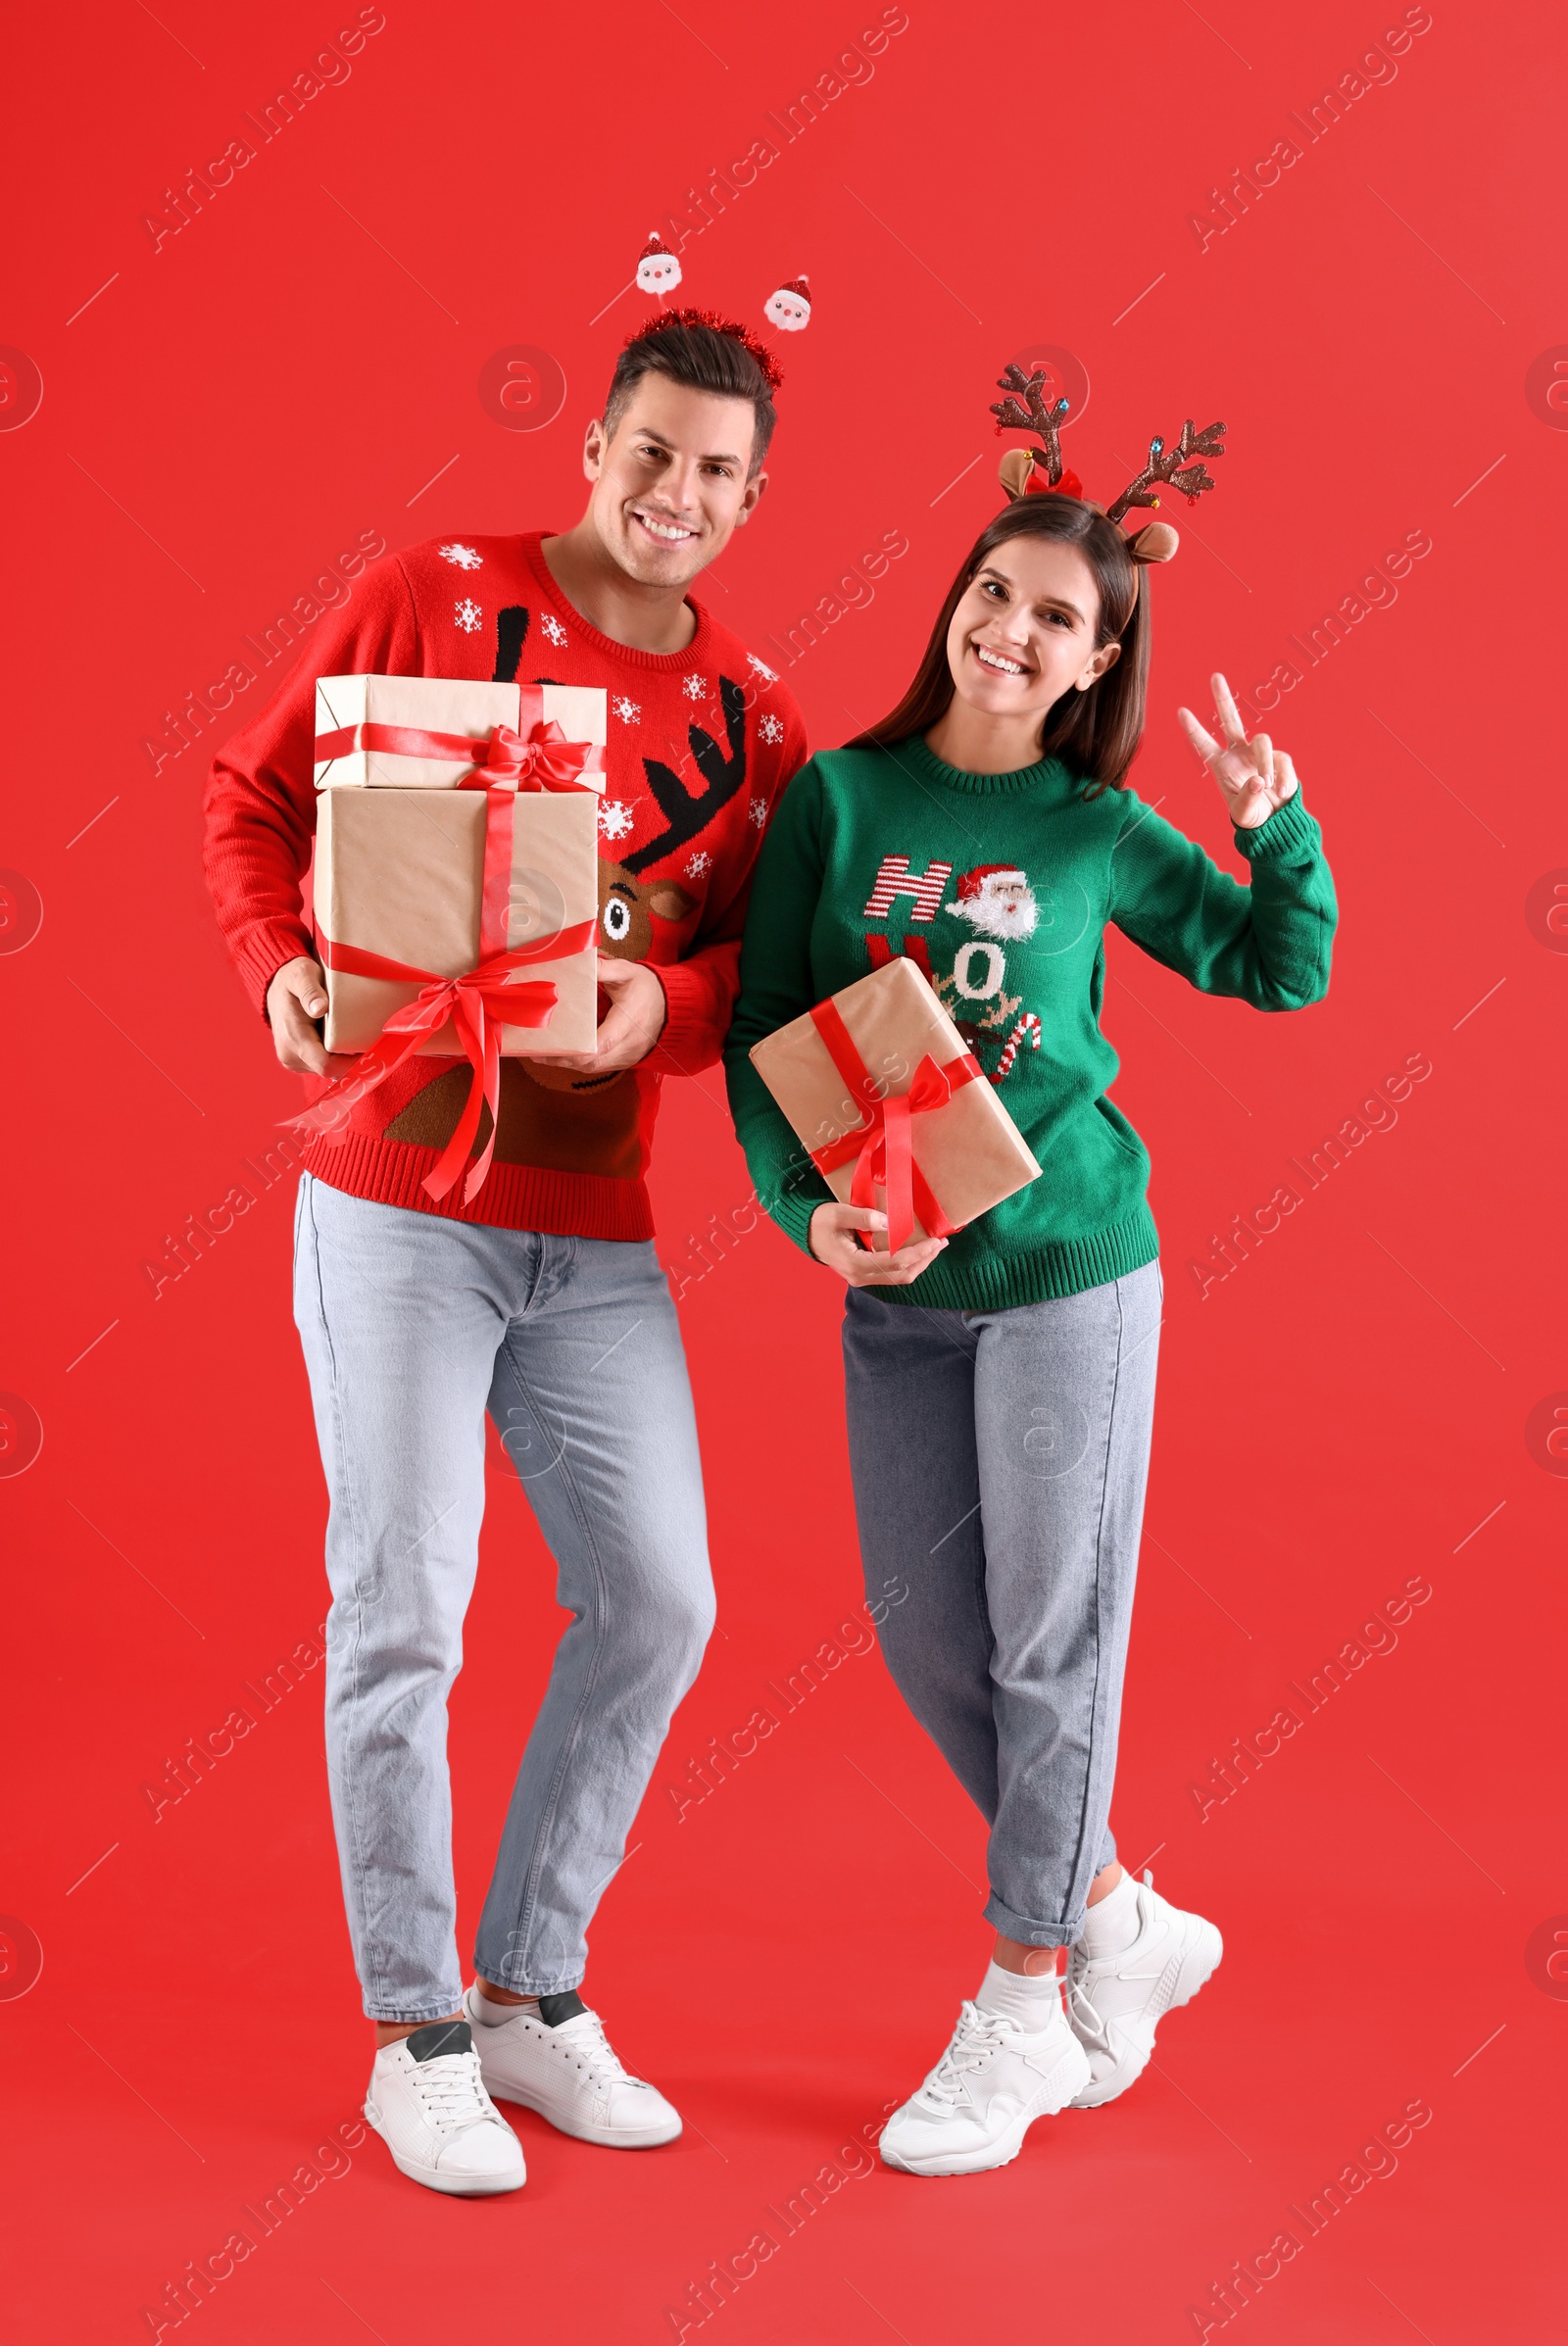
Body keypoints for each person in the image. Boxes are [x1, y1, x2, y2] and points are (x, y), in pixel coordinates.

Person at [204, 312, 807, 2196]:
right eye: (653, 452)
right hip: (396, 1201)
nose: (677, 495)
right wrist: (284, 967)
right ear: (596, 445)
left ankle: (531, 1990)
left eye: (717, 470)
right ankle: (417, 2033)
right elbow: (249, 797)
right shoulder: (429, 593)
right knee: (405, 1613)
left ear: (753, 493)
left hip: (590, 1227)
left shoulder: (762, 724)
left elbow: (750, 973)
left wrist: (666, 1015)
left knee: (663, 1601)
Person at [724, 418, 1337, 2177]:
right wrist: (808, 1217)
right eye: (996, 592)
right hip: (901, 1280)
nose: (1012, 630)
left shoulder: (1094, 822)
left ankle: (1029, 1997)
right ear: (960, 603)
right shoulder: (842, 799)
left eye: (1058, 619)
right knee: (935, 1642)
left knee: (1052, 1645)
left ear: (1098, 661)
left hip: (1074, 1274)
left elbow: (1274, 965)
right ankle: (1124, 1909)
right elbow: (773, 1044)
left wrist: (1273, 821)